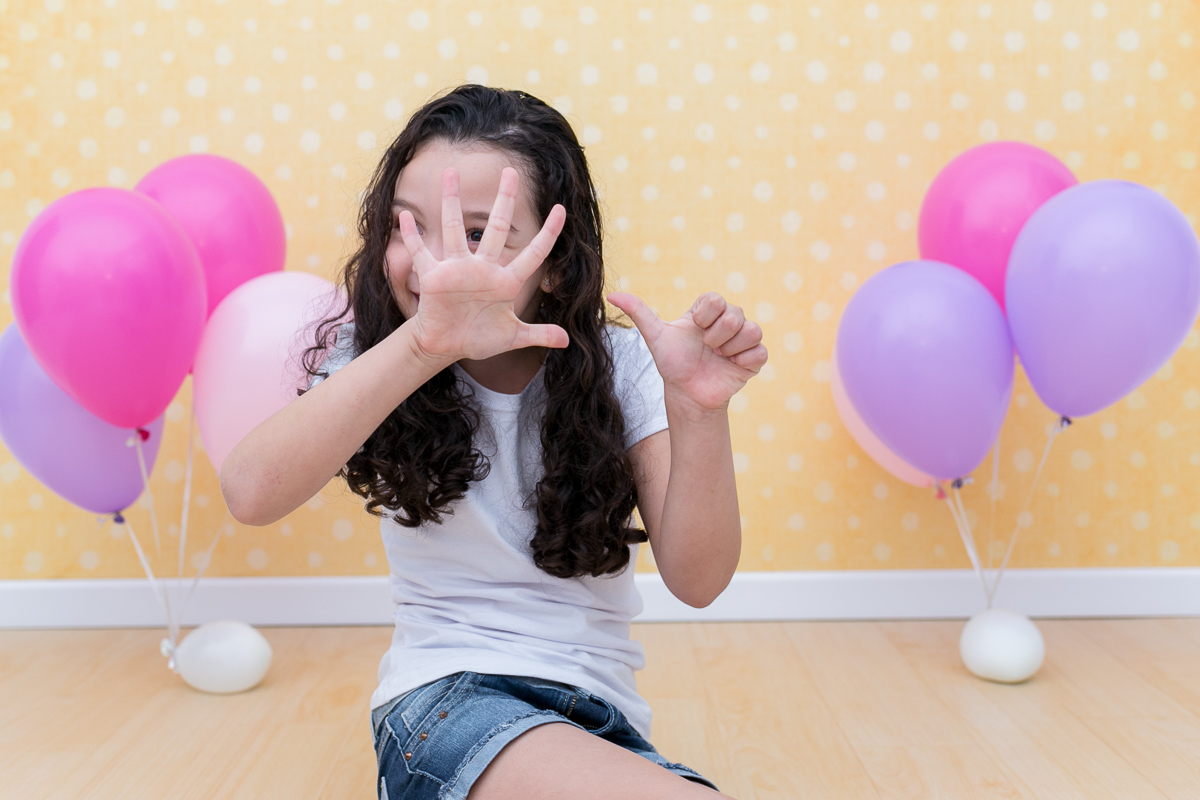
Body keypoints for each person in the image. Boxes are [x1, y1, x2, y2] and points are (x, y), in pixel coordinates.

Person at [220, 85, 767, 800]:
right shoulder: (378, 356)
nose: (440, 264)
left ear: (559, 261)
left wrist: (698, 414)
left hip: (601, 723)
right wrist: (425, 344)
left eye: (477, 234)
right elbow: (249, 493)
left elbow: (700, 581)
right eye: (407, 227)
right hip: (443, 705)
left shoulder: (624, 367)